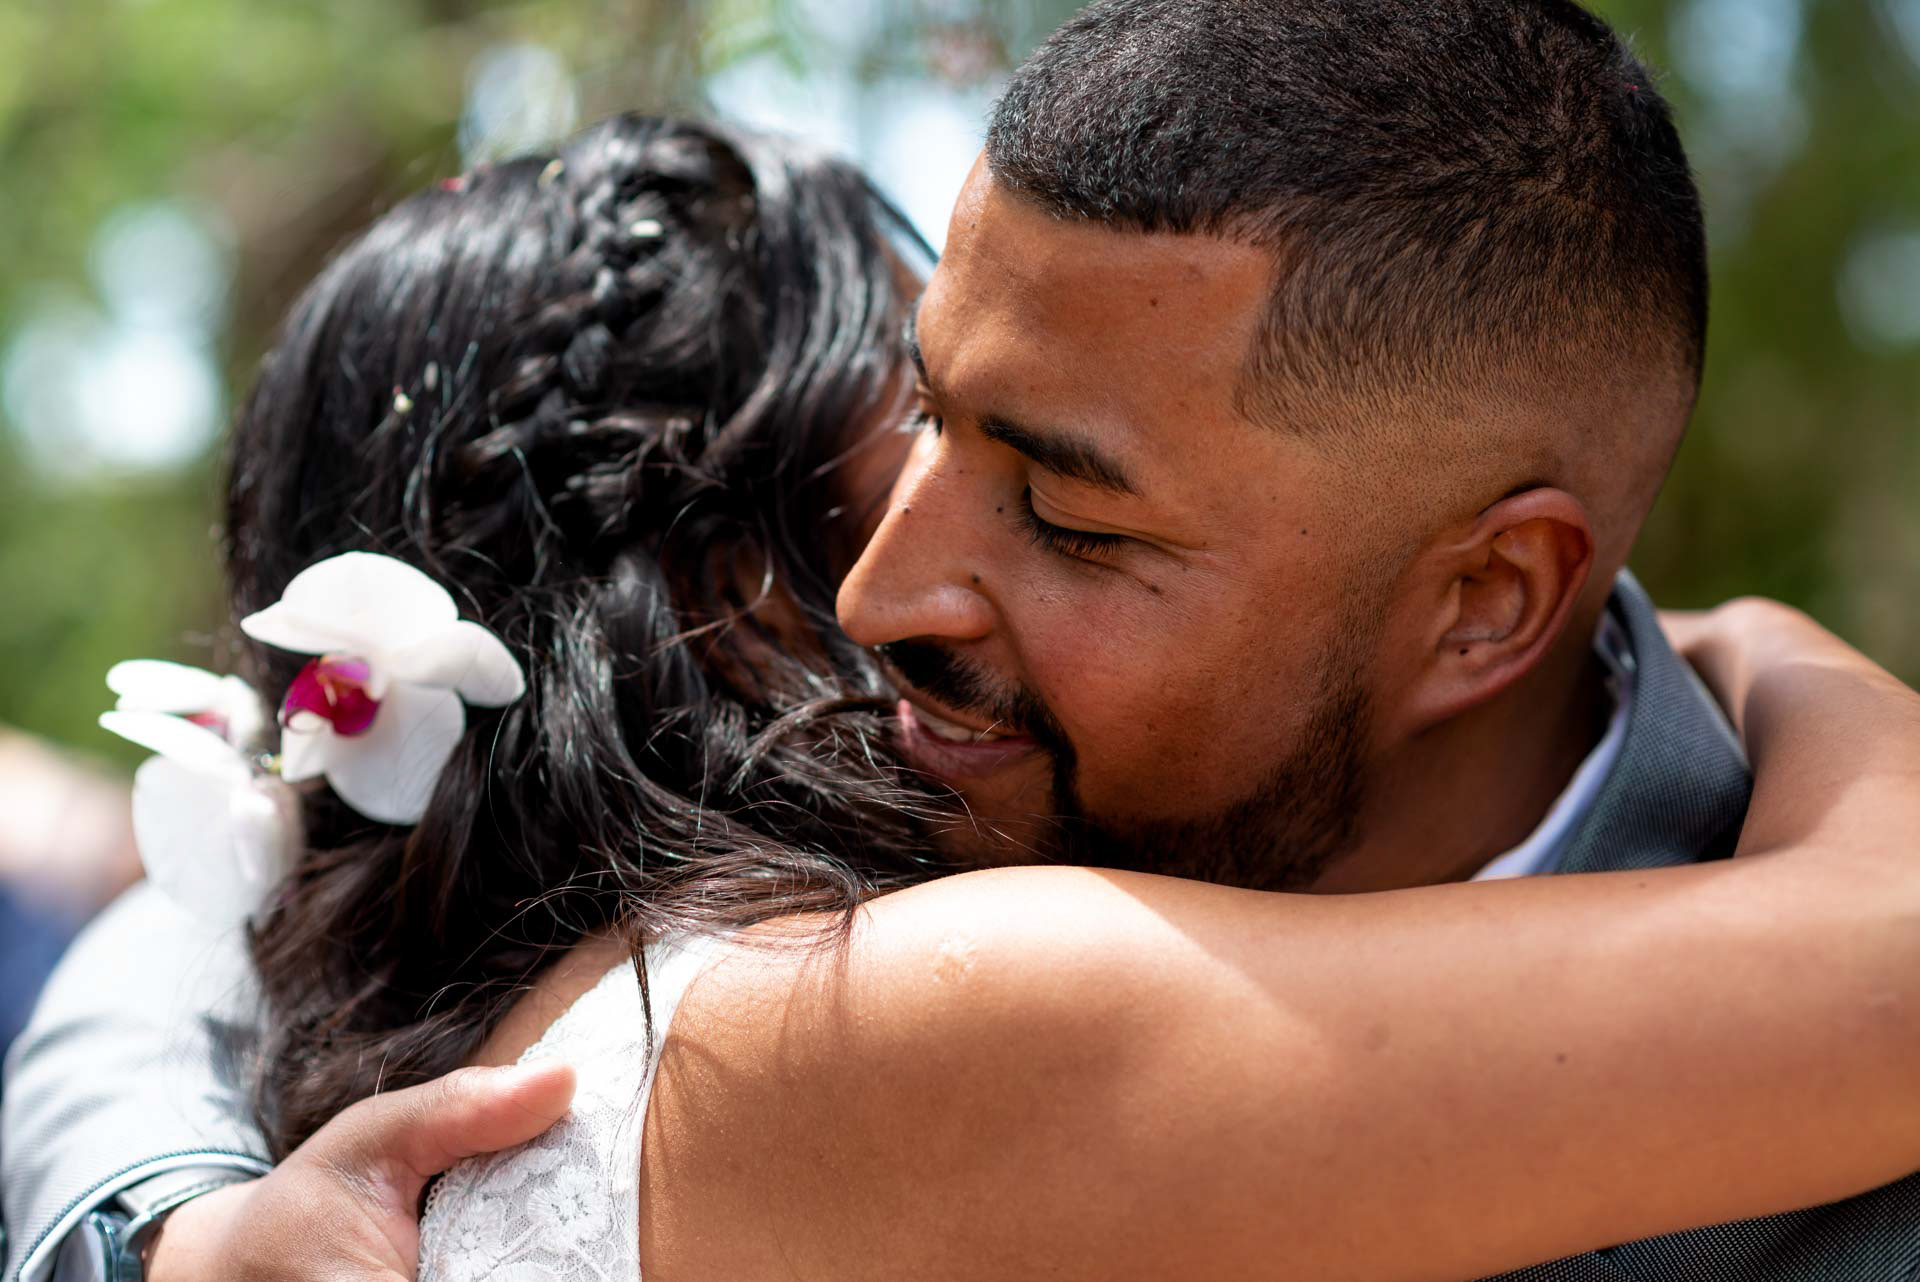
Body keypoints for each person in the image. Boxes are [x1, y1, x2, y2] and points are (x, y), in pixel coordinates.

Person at [6, 2, 1919, 1279]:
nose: (878, 599)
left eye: (1072, 516)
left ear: (1491, 601)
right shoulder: (854, 1001)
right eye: (921, 421)